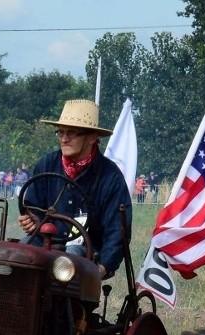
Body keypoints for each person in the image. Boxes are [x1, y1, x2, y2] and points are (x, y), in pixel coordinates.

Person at [18, 99, 131, 279]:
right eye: (60, 132)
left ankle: (62, 308)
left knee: (70, 258)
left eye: (72, 133)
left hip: (87, 248)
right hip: (46, 241)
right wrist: (32, 219)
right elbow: (32, 207)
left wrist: (103, 267)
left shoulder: (110, 177)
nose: (64, 139)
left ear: (93, 137)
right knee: (16, 257)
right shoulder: (47, 164)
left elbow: (117, 231)